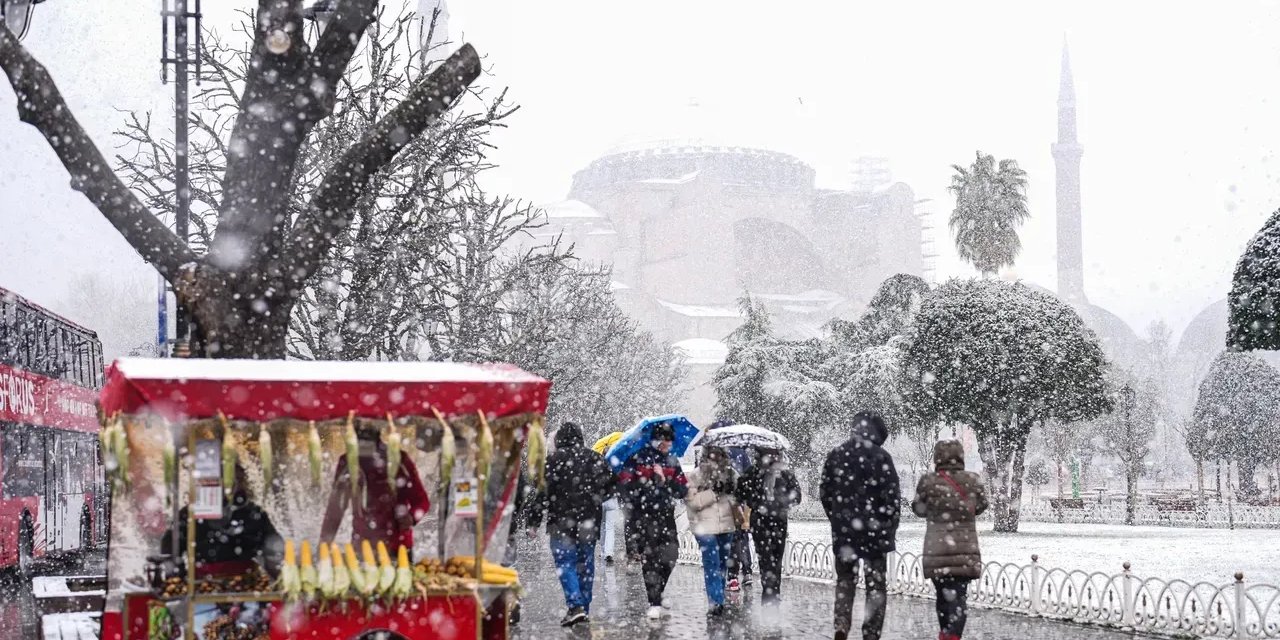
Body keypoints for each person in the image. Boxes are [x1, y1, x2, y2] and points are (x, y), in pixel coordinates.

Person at [526, 422, 617, 627]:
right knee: (585, 565)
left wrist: (533, 522)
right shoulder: (595, 458)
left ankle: (575, 605)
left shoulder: (552, 461)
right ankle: (583, 606)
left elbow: (542, 494)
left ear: (559, 440)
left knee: (565, 563)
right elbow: (611, 488)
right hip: (589, 522)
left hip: (561, 523)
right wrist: (593, 497)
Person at [820, 411, 901, 640]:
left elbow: (825, 493)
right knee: (876, 585)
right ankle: (871, 632)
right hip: (876, 533)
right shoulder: (882, 458)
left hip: (845, 532)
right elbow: (892, 498)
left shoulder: (836, 455)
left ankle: (841, 624)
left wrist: (837, 519)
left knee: (845, 580)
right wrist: (888, 527)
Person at [912, 440, 988, 640]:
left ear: (937, 457)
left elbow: (918, 510)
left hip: (937, 550)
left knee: (942, 596)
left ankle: (946, 633)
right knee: (959, 597)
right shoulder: (973, 480)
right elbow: (981, 506)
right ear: (961, 456)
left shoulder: (928, 481)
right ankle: (952, 636)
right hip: (965, 548)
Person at [319, 428, 432, 554]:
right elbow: (336, 509)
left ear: (378, 430)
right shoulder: (348, 463)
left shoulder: (399, 460)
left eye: (368, 428)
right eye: (359, 427)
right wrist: (324, 544)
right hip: (363, 547)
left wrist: (411, 517)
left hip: (397, 548)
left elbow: (422, 501)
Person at [618, 422, 688, 620]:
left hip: (666, 514)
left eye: (670, 440)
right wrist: (648, 483)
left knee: (672, 554)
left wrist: (666, 482)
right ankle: (654, 601)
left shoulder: (673, 462)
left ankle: (660, 590)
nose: (668, 444)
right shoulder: (637, 459)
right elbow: (625, 487)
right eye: (665, 440)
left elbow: (682, 489)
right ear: (657, 440)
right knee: (650, 559)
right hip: (643, 516)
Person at [734, 447, 801, 606]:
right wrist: (757, 502)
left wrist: (780, 503)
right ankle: (770, 595)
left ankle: (773, 593)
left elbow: (797, 496)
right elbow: (740, 494)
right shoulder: (754, 473)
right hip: (761, 522)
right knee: (766, 560)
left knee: (775, 560)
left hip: (778, 521)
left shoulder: (785, 474)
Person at [684, 445, 739, 616]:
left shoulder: (731, 473)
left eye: (719, 455)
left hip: (726, 525)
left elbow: (740, 497)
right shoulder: (695, 475)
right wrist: (714, 493)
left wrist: (733, 491)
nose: (716, 458)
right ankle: (715, 601)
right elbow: (692, 502)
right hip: (704, 527)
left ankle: (719, 597)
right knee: (712, 562)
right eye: (712, 455)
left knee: (722, 563)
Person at [724, 444, 755, 591]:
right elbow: (749, 479)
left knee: (731, 541)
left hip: (726, 506)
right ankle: (747, 571)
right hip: (740, 505)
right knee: (742, 538)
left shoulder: (718, 454)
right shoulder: (742, 453)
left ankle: (732, 575)